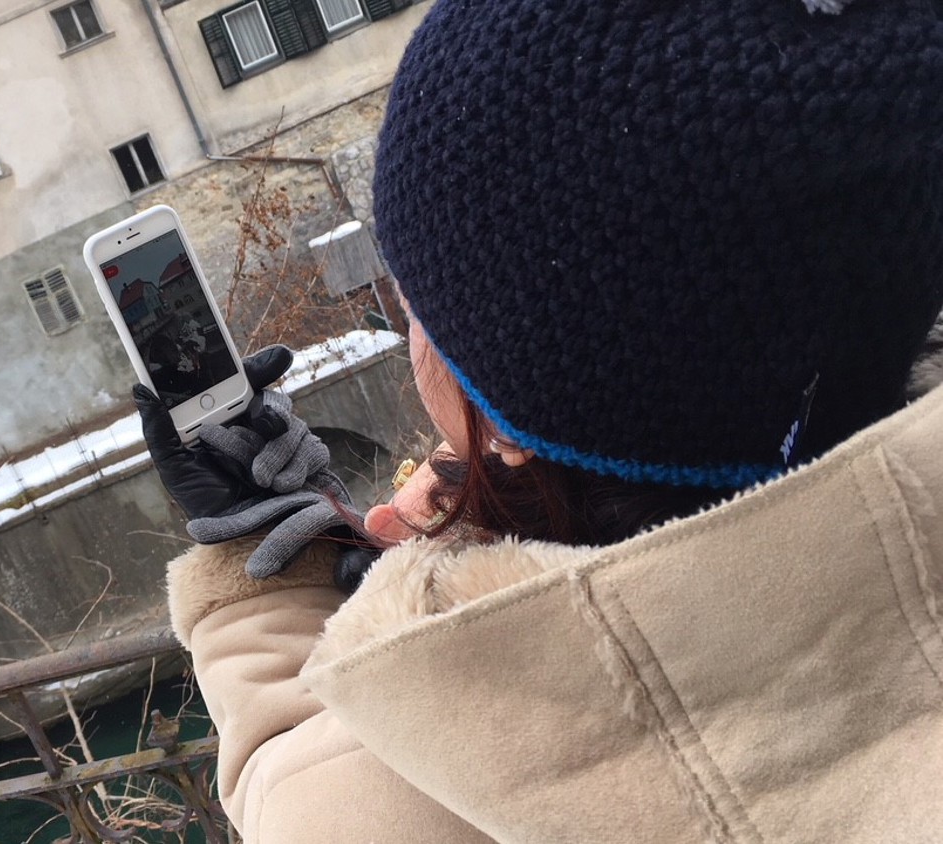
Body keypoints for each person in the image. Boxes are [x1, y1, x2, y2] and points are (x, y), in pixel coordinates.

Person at [133, 1, 943, 841]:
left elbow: (295, 775)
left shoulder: (415, 767)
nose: (411, 332)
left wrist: (261, 573)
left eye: (414, 305)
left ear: (515, 414)